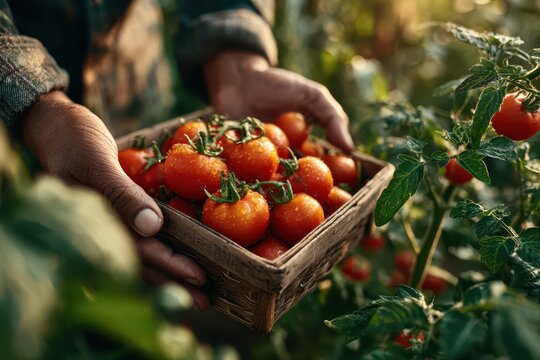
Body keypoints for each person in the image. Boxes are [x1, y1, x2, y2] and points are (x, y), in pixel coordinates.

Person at [0, 0, 354, 311]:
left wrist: (235, 51)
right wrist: (34, 105)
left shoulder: (211, 175)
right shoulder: (211, 172)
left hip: (136, 81)